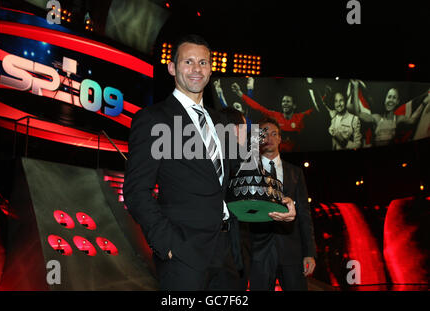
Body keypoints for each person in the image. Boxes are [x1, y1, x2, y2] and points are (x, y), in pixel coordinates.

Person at [123, 34, 249, 291]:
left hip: (227, 254)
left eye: (203, 63)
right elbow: (136, 190)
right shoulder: (153, 119)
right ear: (172, 68)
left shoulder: (222, 122)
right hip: (183, 254)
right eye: (188, 62)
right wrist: (167, 244)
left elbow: (238, 178)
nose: (196, 69)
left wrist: (276, 201)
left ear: (211, 69)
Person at [243, 117, 317, 291]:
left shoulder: (295, 173)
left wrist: (309, 253)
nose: (268, 137)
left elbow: (305, 215)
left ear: (280, 139)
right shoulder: (246, 170)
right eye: (264, 134)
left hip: (292, 251)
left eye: (274, 133)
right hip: (258, 252)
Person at [231, 82, 313, 152]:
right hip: (277, 155)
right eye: (283, 101)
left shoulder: (300, 117)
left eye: (288, 101)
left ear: (294, 106)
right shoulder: (275, 116)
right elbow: (258, 107)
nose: (285, 103)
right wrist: (240, 93)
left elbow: (316, 109)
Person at [352, 83, 429, 146]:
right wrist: (355, 88)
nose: (391, 100)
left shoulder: (398, 119)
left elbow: (412, 120)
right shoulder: (377, 118)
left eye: (394, 98)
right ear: (385, 100)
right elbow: (358, 113)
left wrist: (424, 103)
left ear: (397, 102)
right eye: (389, 97)